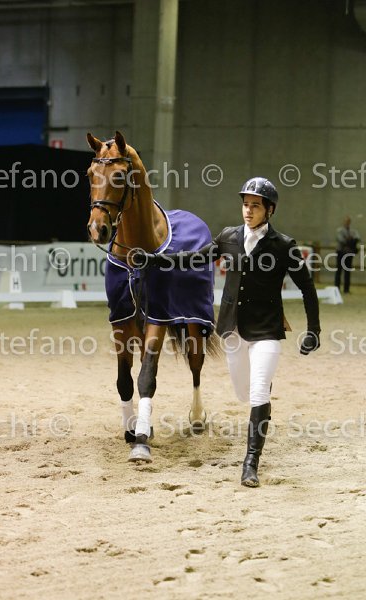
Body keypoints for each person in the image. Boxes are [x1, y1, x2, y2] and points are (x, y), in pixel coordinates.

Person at [133, 177, 321, 487]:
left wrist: (314, 330)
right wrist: (155, 260)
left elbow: (308, 288)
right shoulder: (229, 237)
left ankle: (251, 463)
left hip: (267, 329)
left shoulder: (283, 246)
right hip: (233, 330)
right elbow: (196, 258)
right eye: (245, 205)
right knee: (243, 392)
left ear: (270, 210)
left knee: (258, 393)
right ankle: (261, 391)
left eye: (255, 206)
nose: (248, 211)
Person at [334, 216, 360, 293]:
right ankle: (337, 289)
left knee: (347, 271)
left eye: (348, 221)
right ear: (343, 222)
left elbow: (358, 238)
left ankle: (346, 289)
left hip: (349, 253)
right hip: (341, 252)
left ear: (350, 222)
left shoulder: (353, 231)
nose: (347, 223)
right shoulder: (340, 230)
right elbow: (341, 240)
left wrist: (350, 240)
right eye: (346, 221)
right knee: (339, 271)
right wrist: (351, 241)